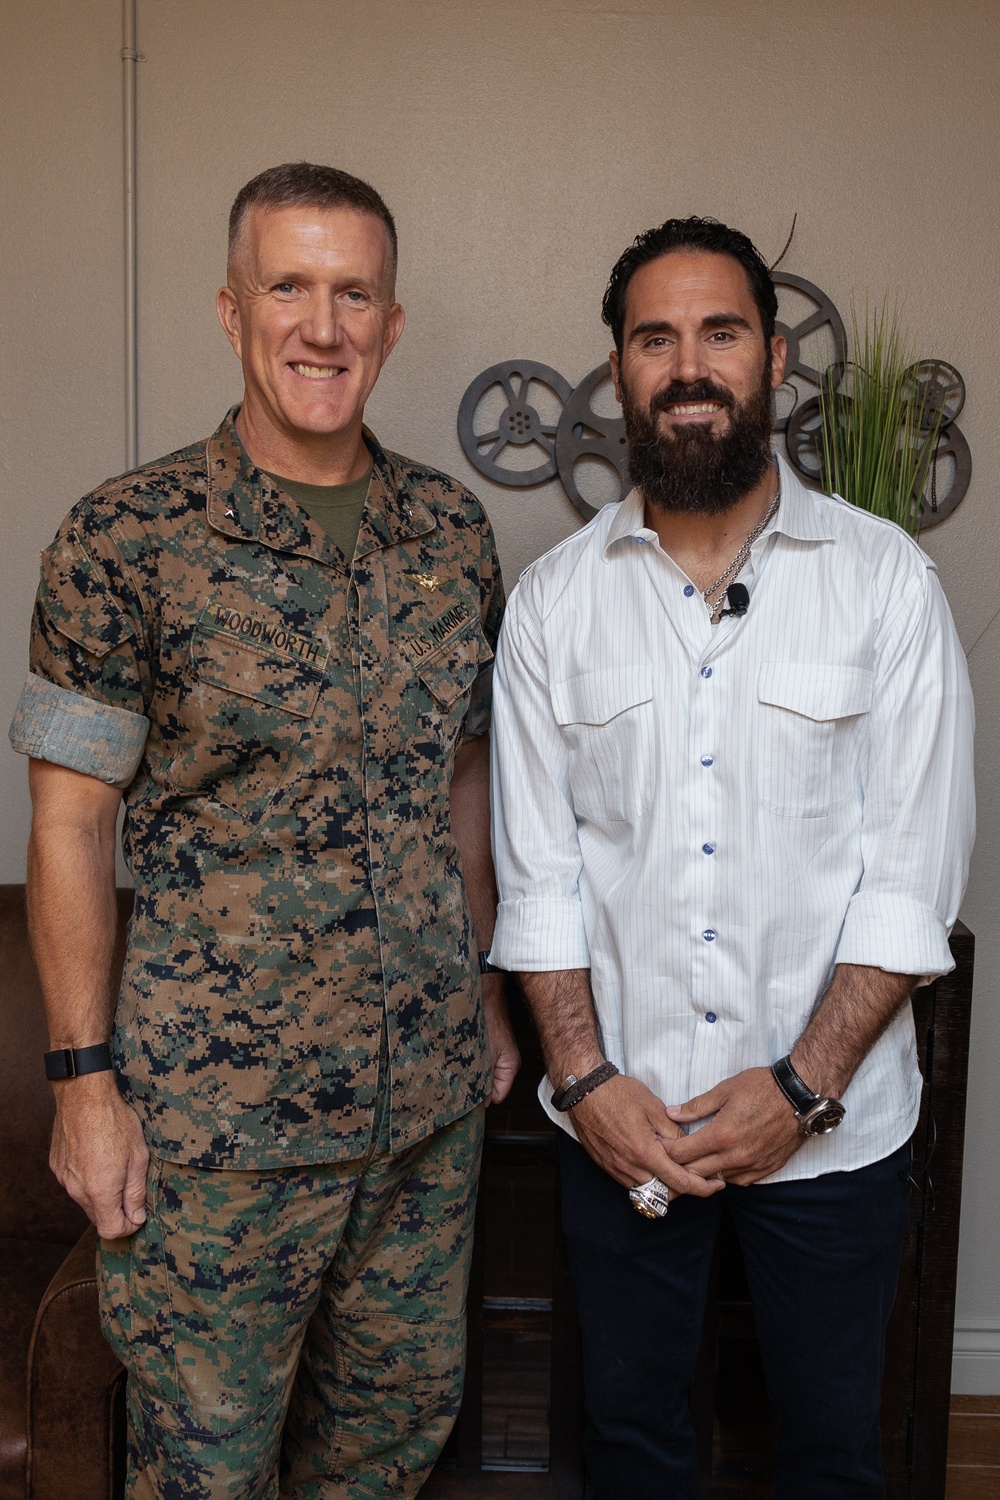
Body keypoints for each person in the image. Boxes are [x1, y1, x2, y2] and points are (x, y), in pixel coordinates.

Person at [10, 161, 518, 1500]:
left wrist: (481, 997)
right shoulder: (122, 540)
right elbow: (66, 826)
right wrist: (83, 1087)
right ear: (231, 312)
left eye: (354, 293)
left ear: (393, 324)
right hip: (217, 1138)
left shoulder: (452, 536)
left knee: (391, 1450)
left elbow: (461, 782)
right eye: (288, 287)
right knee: (206, 1476)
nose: (323, 323)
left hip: (422, 1119)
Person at [488, 216, 974, 1498]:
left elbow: (912, 884)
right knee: (632, 1451)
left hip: (833, 1135)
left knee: (828, 1453)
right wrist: (587, 1084)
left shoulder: (885, 586)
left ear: (769, 362)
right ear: (619, 368)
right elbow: (537, 881)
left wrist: (798, 1091)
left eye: (720, 332)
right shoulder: (551, 607)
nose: (689, 364)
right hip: (619, 1131)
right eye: (657, 337)